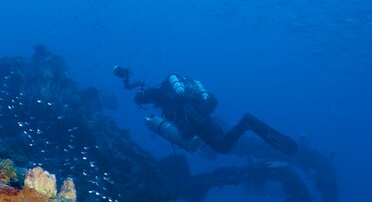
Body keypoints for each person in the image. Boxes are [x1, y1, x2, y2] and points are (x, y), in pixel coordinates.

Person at [114, 66, 299, 156]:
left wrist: (135, 88)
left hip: (190, 122)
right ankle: (247, 122)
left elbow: (142, 98)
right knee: (223, 148)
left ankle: (245, 123)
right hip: (202, 120)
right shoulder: (174, 90)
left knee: (191, 136)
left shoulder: (160, 92)